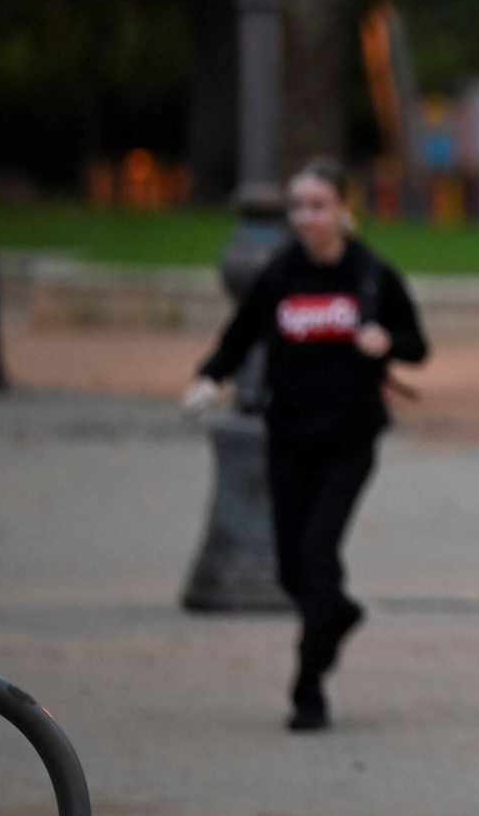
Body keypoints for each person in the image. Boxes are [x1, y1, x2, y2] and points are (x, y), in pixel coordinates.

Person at [182, 158, 429, 732]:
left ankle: (308, 686)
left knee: (317, 555)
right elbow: (239, 335)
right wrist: (208, 377)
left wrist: (386, 339)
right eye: (298, 207)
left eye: (318, 206)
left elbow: (418, 346)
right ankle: (338, 615)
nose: (306, 218)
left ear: (344, 209)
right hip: (288, 436)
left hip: (349, 440)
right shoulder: (281, 274)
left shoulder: (371, 274)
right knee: (293, 570)